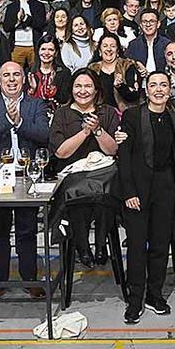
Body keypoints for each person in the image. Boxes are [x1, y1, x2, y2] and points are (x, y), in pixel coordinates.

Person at [0, 62, 52, 301]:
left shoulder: (36, 104)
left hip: (27, 177)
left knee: (27, 230)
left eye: (16, 75)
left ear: (24, 79)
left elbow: (43, 134)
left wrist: (20, 123)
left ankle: (30, 279)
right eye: (6, 76)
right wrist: (9, 120)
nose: (11, 80)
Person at [116, 71, 175, 324]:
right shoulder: (132, 116)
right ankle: (135, 300)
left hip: (166, 186)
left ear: (170, 88)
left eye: (163, 85)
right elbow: (124, 157)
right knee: (136, 246)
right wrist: (129, 192)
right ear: (146, 89)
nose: (158, 89)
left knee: (159, 245)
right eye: (153, 85)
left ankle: (155, 295)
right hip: (138, 188)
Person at [50, 68, 122, 267]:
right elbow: (61, 153)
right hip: (73, 175)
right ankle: (83, 247)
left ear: (97, 90)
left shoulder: (107, 112)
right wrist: (84, 133)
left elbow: (113, 150)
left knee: (105, 193)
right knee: (78, 194)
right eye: (78, 86)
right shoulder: (62, 114)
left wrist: (98, 130)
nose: (83, 91)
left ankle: (100, 245)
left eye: (88, 86)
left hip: (103, 174)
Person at [3, 0, 47, 70]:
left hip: (34, 46)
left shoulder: (39, 5)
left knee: (35, 73)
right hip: (16, 46)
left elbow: (40, 25)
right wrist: (18, 21)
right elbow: (6, 27)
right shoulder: (11, 6)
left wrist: (26, 19)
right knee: (16, 73)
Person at [127, 8, 171, 73]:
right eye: (144, 22)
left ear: (158, 24)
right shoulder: (133, 45)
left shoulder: (167, 44)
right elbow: (125, 64)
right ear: (141, 25)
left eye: (152, 21)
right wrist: (136, 65)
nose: (148, 25)